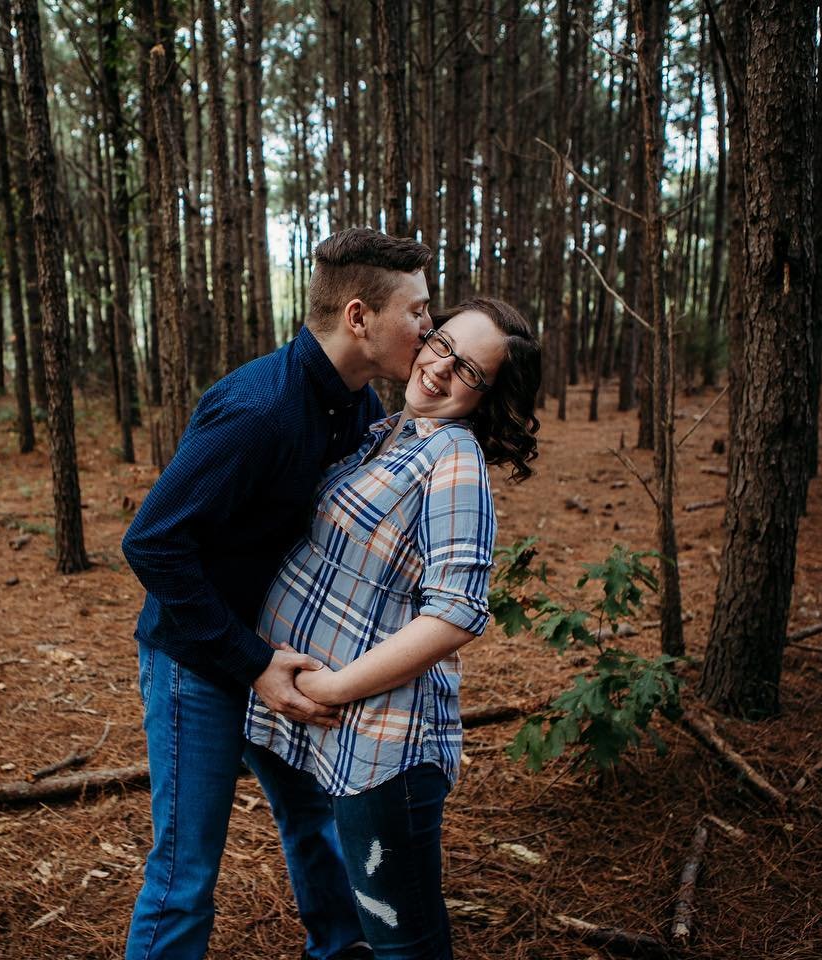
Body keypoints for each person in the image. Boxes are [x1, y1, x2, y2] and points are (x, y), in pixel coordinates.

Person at [121, 228, 435, 960]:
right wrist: (250, 661)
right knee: (185, 869)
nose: (429, 325)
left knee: (318, 823)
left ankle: (340, 950)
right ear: (359, 318)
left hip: (289, 659)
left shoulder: (355, 406)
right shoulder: (259, 409)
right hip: (199, 662)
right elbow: (151, 542)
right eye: (417, 310)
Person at [246, 298, 542, 960]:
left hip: (382, 742)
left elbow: (457, 612)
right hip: (312, 718)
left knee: (401, 940)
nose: (439, 368)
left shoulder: (453, 456)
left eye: (467, 369)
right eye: (441, 344)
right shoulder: (387, 432)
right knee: (329, 884)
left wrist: (333, 689)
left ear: (486, 398)